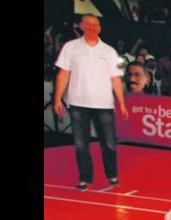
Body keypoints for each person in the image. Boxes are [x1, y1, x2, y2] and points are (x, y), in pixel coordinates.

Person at [53, 14, 129, 191]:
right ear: (81, 26)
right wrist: (57, 98)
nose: (92, 27)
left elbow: (116, 79)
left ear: (100, 28)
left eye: (95, 25)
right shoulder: (70, 48)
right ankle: (85, 178)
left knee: (109, 143)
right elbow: (63, 74)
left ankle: (113, 176)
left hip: (104, 104)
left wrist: (122, 103)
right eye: (88, 24)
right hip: (78, 104)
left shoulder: (109, 51)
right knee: (81, 144)